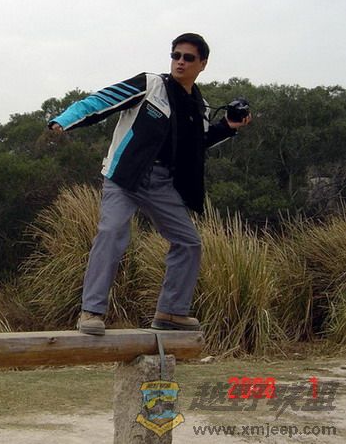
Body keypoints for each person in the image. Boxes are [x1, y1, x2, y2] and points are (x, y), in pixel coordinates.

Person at [48, 33, 252, 335]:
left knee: (189, 242)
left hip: (161, 183)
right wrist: (65, 120)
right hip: (125, 176)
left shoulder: (200, 106)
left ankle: (171, 313)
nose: (180, 62)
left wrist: (229, 127)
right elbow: (101, 101)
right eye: (176, 55)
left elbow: (197, 145)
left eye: (188, 58)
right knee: (112, 232)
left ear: (203, 64)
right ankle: (91, 311)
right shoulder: (150, 84)